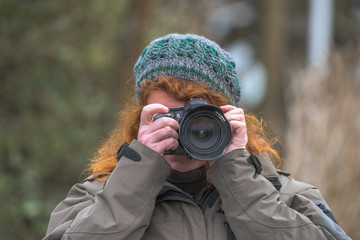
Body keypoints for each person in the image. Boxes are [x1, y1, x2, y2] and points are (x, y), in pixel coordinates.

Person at [43, 33, 351, 240]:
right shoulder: (95, 196)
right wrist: (139, 171)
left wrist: (236, 174)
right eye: (164, 117)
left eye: (197, 120)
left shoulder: (290, 196)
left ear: (229, 118)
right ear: (140, 121)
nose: (180, 131)